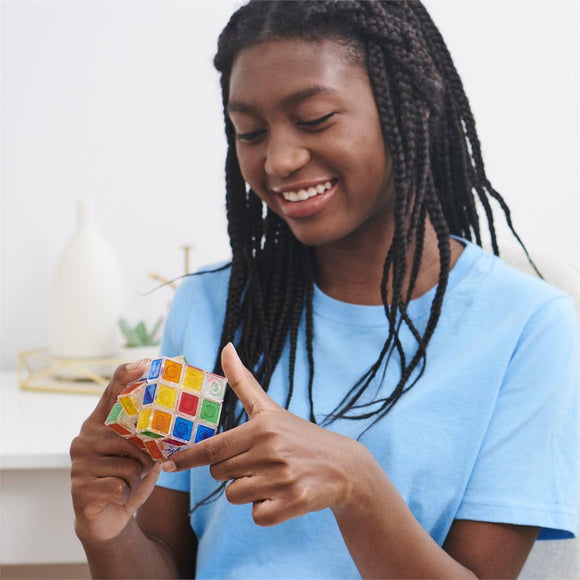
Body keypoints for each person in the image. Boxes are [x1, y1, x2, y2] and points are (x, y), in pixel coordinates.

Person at [70, 1, 579, 578]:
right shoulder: (211, 304)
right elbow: (163, 561)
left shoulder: (528, 325)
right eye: (250, 133)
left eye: (314, 119)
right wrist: (107, 532)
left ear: (410, 109)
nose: (279, 160)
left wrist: (355, 485)